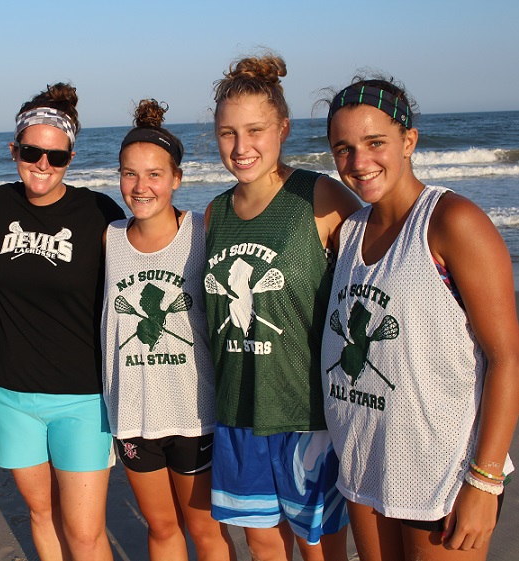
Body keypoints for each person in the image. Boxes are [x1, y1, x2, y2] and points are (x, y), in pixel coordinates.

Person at [321, 76, 519, 561]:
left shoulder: (452, 221)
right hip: (363, 464)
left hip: (441, 472)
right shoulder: (349, 233)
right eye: (343, 149)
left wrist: (485, 482)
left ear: (408, 140)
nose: (359, 162)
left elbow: (507, 358)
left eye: (375, 143)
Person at [202, 54, 361, 561]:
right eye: (228, 133)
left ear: (283, 129)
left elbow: (382, 268)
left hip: (305, 411)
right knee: (262, 542)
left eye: (255, 130)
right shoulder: (216, 212)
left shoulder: (320, 197)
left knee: (316, 546)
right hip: (237, 409)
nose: (241, 147)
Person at [0, 83, 126, 561]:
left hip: (82, 397)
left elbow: (145, 259)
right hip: (10, 395)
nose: (42, 164)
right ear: (14, 150)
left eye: (55, 157)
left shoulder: (98, 212)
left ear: (71, 158)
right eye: (31, 152)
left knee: (84, 532)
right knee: (42, 517)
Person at [102, 99, 237, 561]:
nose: (141, 187)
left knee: (205, 530)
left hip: (194, 413)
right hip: (134, 415)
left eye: (155, 174)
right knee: (161, 528)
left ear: (176, 178)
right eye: (129, 173)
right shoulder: (108, 238)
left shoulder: (203, 232)